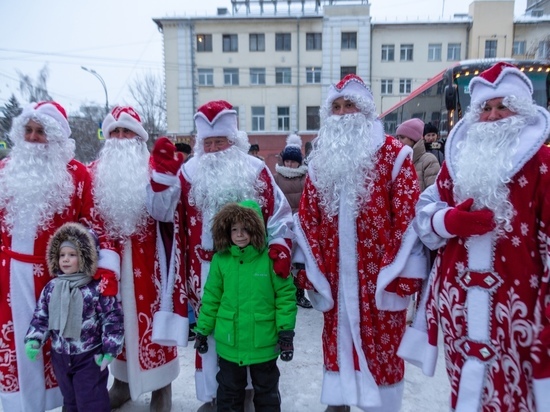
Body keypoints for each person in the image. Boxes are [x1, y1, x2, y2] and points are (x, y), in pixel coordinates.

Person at [399, 61, 550, 411]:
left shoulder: (543, 165)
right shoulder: (458, 161)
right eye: (486, 108)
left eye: (503, 106)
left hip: (519, 313)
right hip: (459, 310)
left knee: (517, 397)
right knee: (465, 390)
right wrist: (447, 222)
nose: (493, 116)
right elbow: (424, 214)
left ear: (523, 112)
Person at [147, 99, 294, 411]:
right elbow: (161, 212)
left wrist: (279, 246)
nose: (214, 149)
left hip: (251, 270)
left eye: (221, 141)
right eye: (208, 142)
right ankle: (217, 396)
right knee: (213, 332)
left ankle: (251, 393)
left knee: (250, 327)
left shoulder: (255, 171)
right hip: (203, 273)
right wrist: (161, 176)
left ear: (234, 140)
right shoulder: (187, 173)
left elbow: (280, 213)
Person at [293, 74, 428, 412]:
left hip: (381, 281)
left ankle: (377, 405)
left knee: (381, 353)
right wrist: (310, 268)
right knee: (338, 346)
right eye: (336, 107)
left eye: (349, 104)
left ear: (365, 110)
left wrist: (402, 272)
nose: (342, 113)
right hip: (337, 281)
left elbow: (410, 216)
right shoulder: (320, 163)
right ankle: (339, 402)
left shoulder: (395, 156)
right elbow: (308, 219)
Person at [0, 101, 101, 412]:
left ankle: (64, 402)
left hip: (56, 279)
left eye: (41, 131)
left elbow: (93, 223)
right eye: (28, 130)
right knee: (16, 345)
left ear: (56, 137)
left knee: (58, 348)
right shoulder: (5, 170)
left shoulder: (77, 174)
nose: (32, 137)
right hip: (9, 276)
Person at [90, 106, 184, 411]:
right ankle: (122, 382)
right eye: (114, 131)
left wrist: (164, 179)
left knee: (153, 323)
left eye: (126, 131)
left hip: (150, 262)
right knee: (114, 321)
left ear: (138, 136)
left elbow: (165, 212)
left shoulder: (153, 167)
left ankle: (162, 387)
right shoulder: (95, 172)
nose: (120, 138)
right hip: (110, 262)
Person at [194, 200, 297, 411]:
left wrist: (286, 332)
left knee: (267, 392)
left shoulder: (270, 259)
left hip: (264, 342)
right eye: (234, 229)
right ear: (226, 231)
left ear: (256, 229)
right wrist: (202, 330)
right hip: (230, 344)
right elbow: (212, 297)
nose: (239, 234)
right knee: (229, 393)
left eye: (245, 229)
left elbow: (285, 296)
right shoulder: (221, 261)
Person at [24, 222, 124, 412]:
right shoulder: (52, 287)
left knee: (91, 399)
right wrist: (34, 339)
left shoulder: (96, 289)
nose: (66, 260)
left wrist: (110, 349)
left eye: (72, 255)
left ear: (85, 257)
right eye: (62, 255)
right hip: (60, 355)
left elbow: (112, 319)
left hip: (89, 356)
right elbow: (41, 317)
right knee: (69, 399)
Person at [274, 133, 312, 309]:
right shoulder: (277, 178)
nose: (290, 164)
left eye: (293, 161)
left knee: (300, 262)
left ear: (299, 161)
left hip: (301, 225)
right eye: (287, 161)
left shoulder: (306, 177)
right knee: (283, 259)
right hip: (283, 224)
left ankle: (299, 293)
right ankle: (282, 294)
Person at [395, 118, 440, 192]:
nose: (398, 141)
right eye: (397, 138)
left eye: (402, 137)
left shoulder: (429, 160)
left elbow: (434, 195)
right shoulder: (398, 161)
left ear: (413, 138)